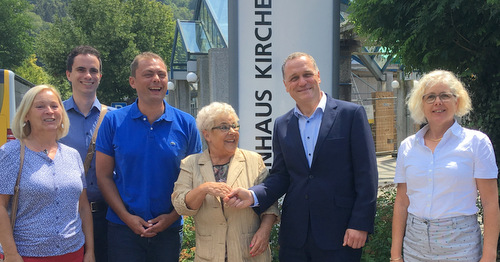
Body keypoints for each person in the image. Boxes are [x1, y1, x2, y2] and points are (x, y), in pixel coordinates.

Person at [225, 52, 379, 261]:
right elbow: (281, 176)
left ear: (318, 76)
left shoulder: (351, 115)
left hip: (341, 233)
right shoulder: (282, 125)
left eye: (307, 74)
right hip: (295, 236)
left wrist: (360, 224)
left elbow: (367, 175)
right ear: (286, 85)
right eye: (294, 78)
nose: (302, 82)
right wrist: (252, 195)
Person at [96, 52, 202, 262]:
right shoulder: (113, 121)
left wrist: (172, 217)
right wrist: (127, 218)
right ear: (132, 82)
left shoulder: (187, 124)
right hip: (122, 229)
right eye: (148, 74)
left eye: (161, 74)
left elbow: (196, 180)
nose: (156, 79)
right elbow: (103, 176)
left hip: (168, 230)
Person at [390, 70, 499, 262]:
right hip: (415, 245)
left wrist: (489, 255)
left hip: (462, 245)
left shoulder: (477, 143)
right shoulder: (408, 147)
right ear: (421, 105)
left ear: (457, 101)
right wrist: (395, 255)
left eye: (445, 96)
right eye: (430, 97)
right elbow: (401, 202)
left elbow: (490, 204)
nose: (437, 102)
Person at [172, 102, 279, 261]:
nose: (232, 132)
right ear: (207, 134)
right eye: (224, 127)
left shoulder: (253, 160)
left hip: (249, 254)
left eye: (235, 126)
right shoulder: (191, 164)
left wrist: (264, 232)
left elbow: (270, 203)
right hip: (209, 256)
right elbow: (180, 205)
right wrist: (204, 188)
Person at [0, 85, 94, 262]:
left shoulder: (72, 155)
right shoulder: (11, 153)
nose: (49, 111)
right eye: (40, 106)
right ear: (26, 115)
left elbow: (82, 207)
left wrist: (90, 252)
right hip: (28, 255)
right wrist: (11, 254)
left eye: (54, 106)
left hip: (74, 252)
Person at [59, 45, 114, 262]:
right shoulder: (54, 116)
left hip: (109, 216)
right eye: (81, 69)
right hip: (66, 217)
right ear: (69, 74)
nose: (88, 75)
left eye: (93, 70)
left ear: (100, 75)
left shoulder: (115, 118)